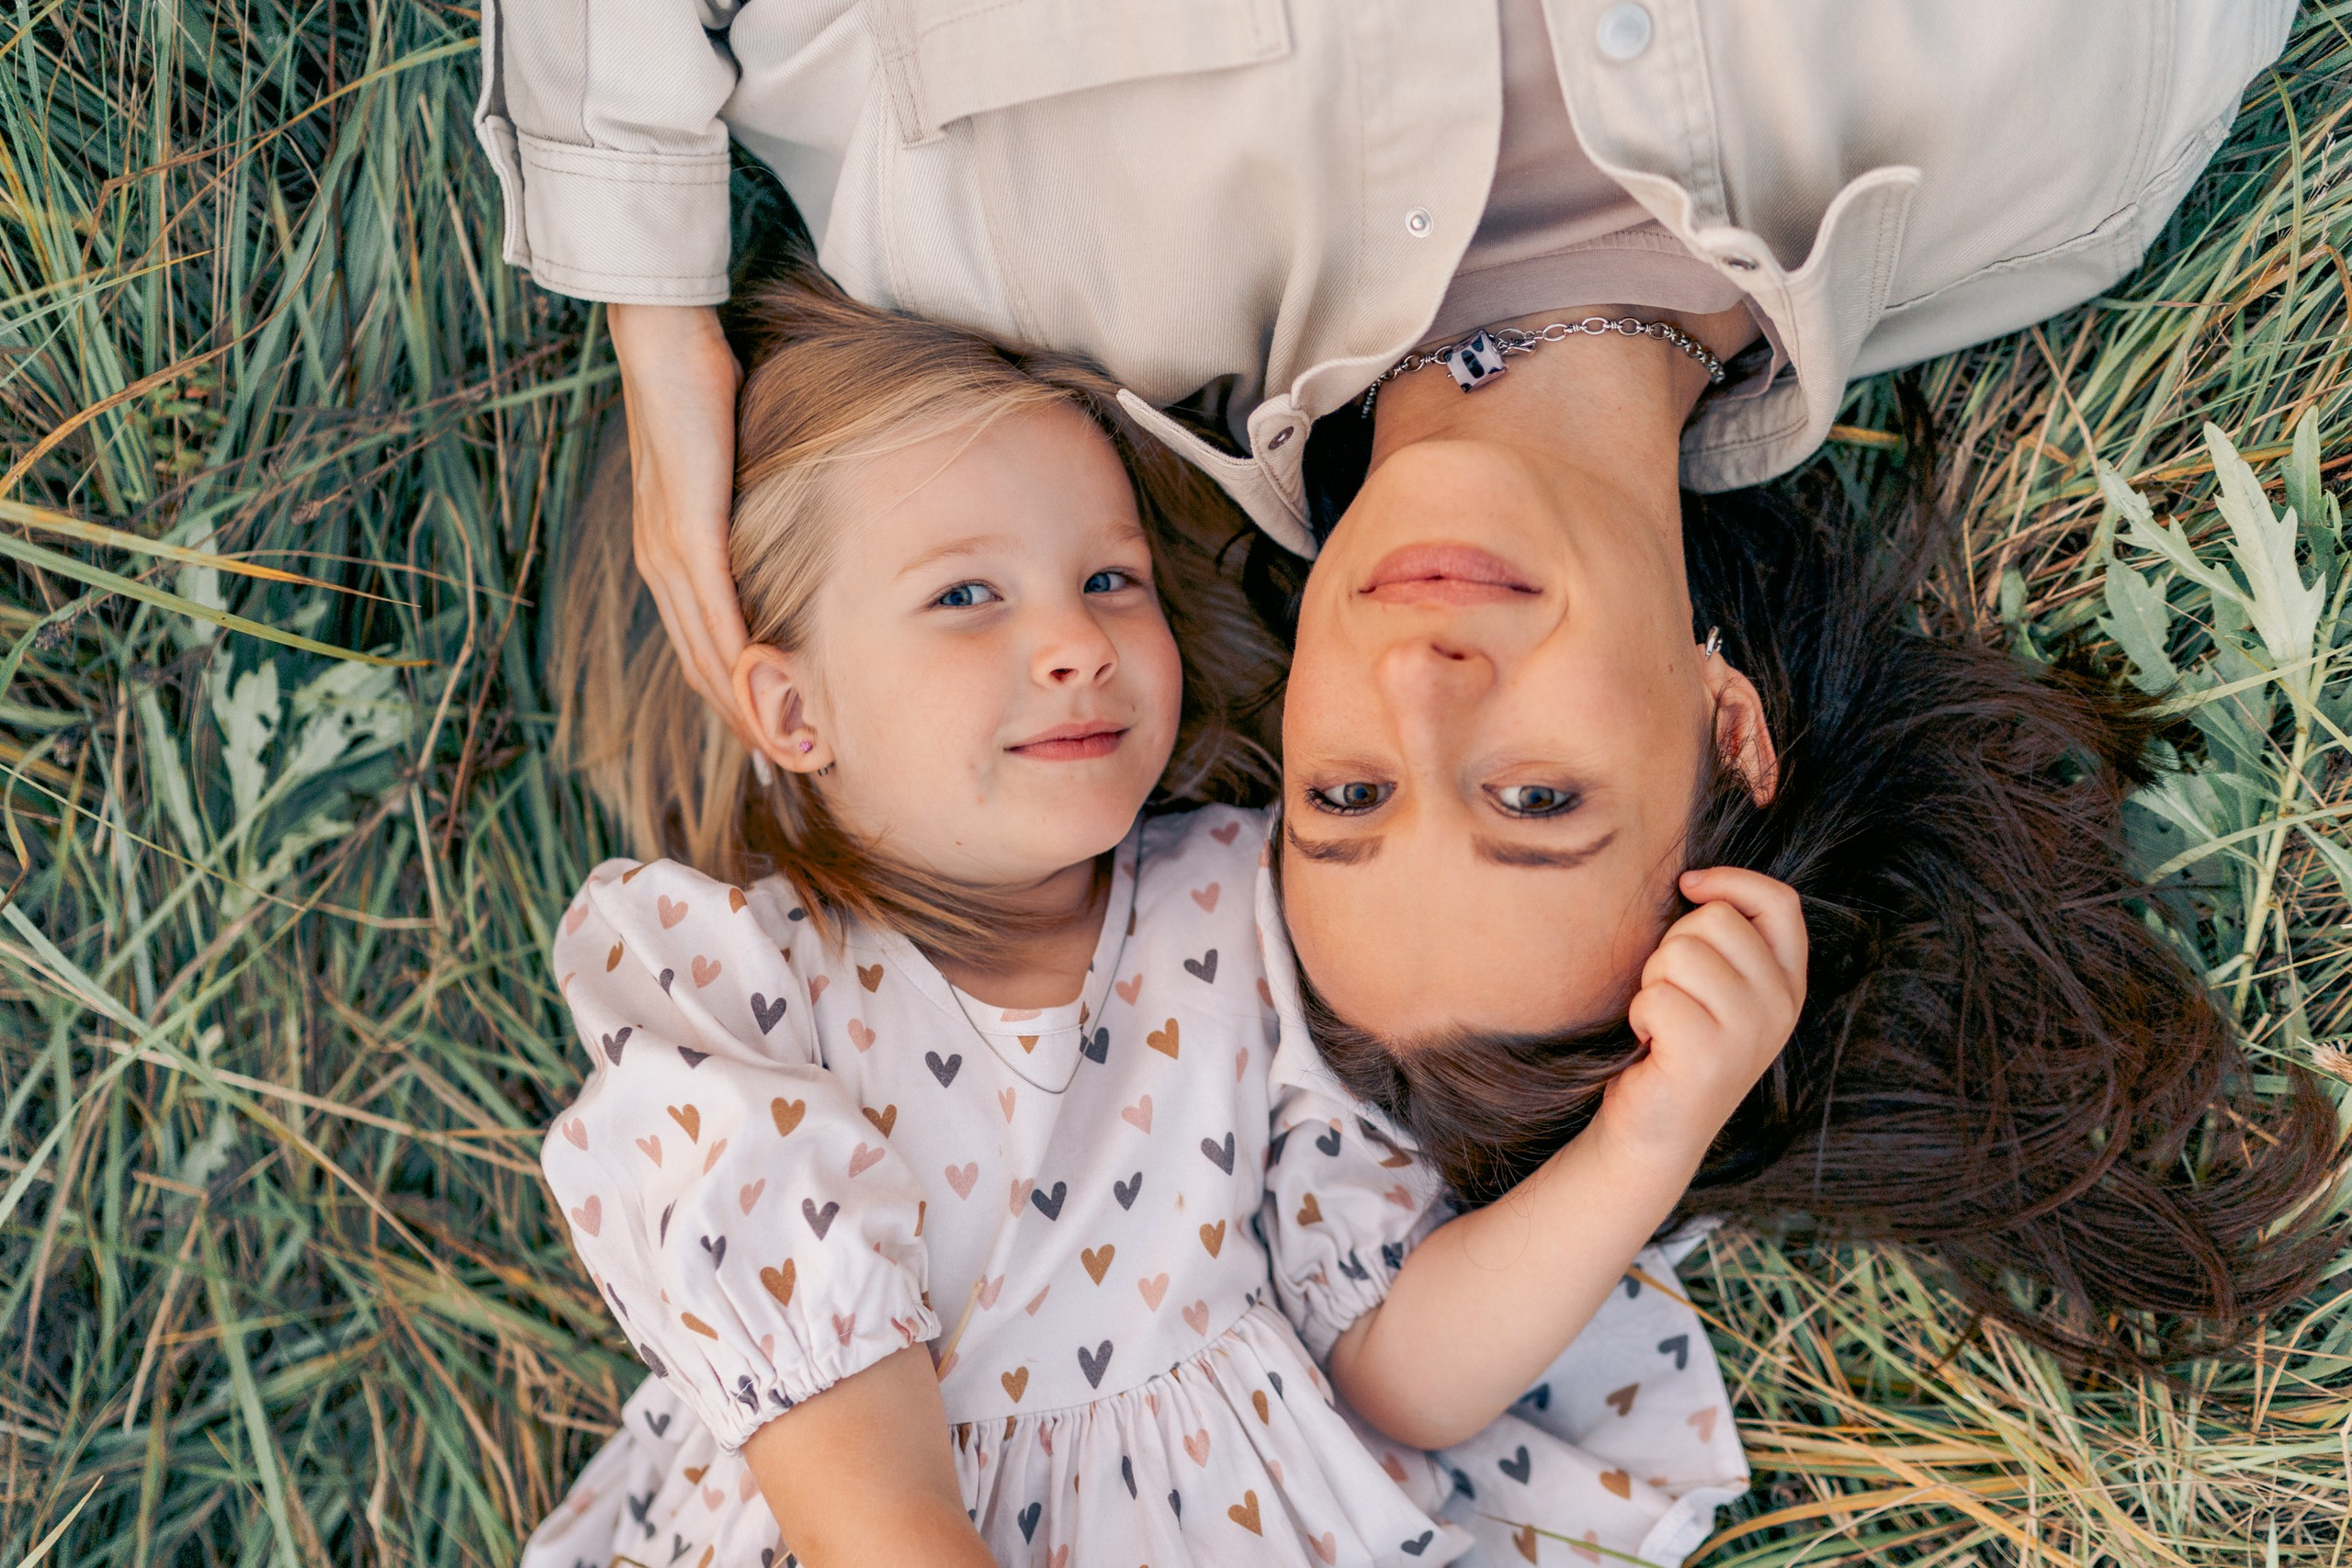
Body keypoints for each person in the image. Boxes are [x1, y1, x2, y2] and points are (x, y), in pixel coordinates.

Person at [483, 2, 2342, 1361]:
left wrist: (650, 312)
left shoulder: (983, 242)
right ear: (1725, 725)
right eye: (1534, 800)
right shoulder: (2063, 138)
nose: (1428, 687)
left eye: (1349, 795)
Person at [526, 265, 1763, 1568]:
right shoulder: (742, 987)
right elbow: (860, 1502)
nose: (1075, 640)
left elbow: (1400, 1378)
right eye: (967, 596)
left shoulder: (1241, 910)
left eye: (1111, 579)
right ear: (793, 712)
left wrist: (1644, 1142)